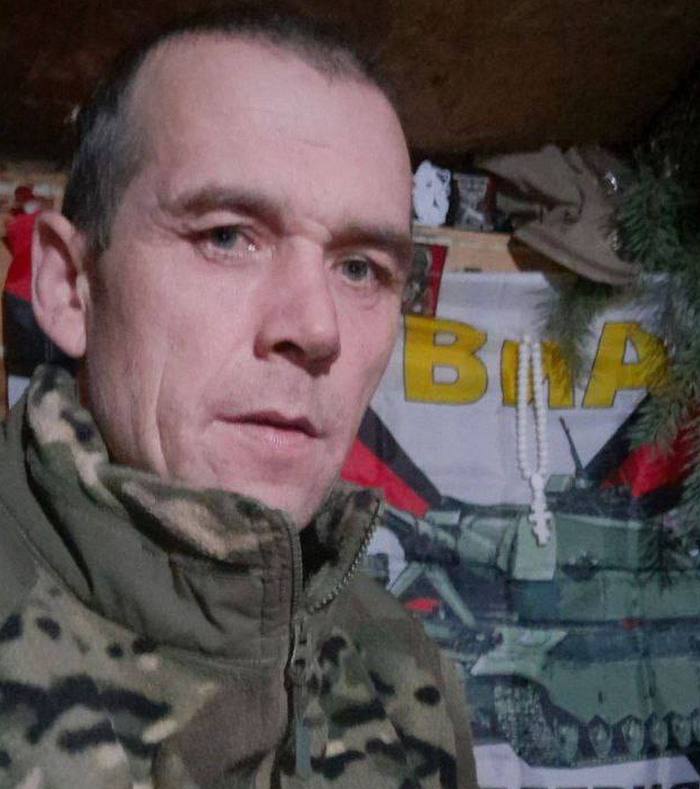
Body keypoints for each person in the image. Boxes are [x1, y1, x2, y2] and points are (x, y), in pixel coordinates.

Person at [0, 8, 477, 787]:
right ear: (69, 286)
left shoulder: (406, 673)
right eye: (226, 236)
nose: (315, 328)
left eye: (360, 267)